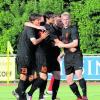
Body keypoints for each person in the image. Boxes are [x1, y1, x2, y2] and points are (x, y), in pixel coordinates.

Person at [12, 13, 48, 100]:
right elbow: (34, 42)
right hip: (23, 56)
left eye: (40, 20)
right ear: (33, 21)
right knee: (23, 76)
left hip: (30, 57)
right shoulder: (29, 28)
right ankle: (21, 96)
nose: (40, 22)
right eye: (38, 20)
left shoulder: (36, 27)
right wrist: (42, 38)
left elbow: (27, 22)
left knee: (33, 76)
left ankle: (18, 91)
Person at [55, 12, 88, 100]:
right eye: (63, 20)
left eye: (67, 19)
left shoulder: (73, 29)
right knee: (69, 80)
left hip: (76, 55)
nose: (65, 21)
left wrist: (63, 46)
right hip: (67, 57)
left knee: (78, 74)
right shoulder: (61, 30)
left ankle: (85, 96)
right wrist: (61, 55)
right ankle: (79, 97)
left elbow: (75, 43)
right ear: (61, 20)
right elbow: (67, 45)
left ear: (70, 19)